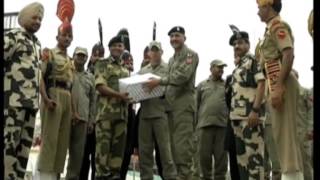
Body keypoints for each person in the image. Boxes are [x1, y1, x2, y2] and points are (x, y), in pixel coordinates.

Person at [256, 0, 304, 179]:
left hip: (280, 82)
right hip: (274, 81)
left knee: (286, 136)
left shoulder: (278, 25)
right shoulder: (269, 29)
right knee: (281, 136)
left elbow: (288, 53)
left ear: (268, 7)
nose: (258, 12)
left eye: (259, 8)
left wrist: (278, 87)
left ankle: (292, 175)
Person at [145, 26, 199, 180]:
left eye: (177, 35)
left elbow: (182, 77)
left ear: (184, 38)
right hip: (170, 109)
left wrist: (159, 81)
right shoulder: (171, 59)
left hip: (183, 109)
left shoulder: (191, 55)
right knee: (173, 152)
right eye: (171, 36)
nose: (174, 39)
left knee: (184, 152)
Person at [4, 2, 44, 180]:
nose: (37, 21)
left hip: (31, 105)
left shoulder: (37, 44)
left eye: (40, 19)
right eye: (34, 17)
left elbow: (38, 74)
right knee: (8, 150)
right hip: (12, 105)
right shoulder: (13, 36)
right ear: (24, 18)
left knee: (23, 152)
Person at [37, 11, 75, 179]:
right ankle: (44, 176)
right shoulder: (49, 53)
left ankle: (56, 176)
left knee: (62, 142)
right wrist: (45, 99)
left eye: (69, 36)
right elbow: (40, 77)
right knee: (50, 139)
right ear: (57, 37)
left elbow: (71, 86)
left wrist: (73, 110)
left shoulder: (70, 59)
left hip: (66, 96)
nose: (67, 38)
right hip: (52, 94)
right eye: (64, 35)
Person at [229, 28, 266, 180]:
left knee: (255, 162)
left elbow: (262, 83)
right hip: (237, 118)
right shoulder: (239, 65)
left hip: (251, 117)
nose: (237, 46)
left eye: (241, 43)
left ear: (248, 44)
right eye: (235, 44)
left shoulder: (253, 60)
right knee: (242, 164)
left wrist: (255, 110)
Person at [138, 41, 177, 180]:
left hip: (162, 114)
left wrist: (162, 90)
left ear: (162, 52)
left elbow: (173, 87)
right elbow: (136, 89)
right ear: (148, 53)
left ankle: (171, 178)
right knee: (145, 153)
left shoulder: (168, 68)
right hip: (145, 115)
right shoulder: (142, 71)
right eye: (152, 50)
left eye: (157, 50)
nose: (154, 53)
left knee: (166, 153)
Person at [94, 35, 130, 180]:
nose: (117, 48)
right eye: (114, 45)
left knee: (117, 157)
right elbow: (100, 87)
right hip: (106, 116)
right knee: (102, 155)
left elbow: (129, 91)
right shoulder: (102, 64)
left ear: (124, 48)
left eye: (120, 45)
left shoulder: (125, 69)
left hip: (122, 116)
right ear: (109, 48)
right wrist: (120, 96)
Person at [65, 47, 96, 180]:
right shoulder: (66, 72)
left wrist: (91, 120)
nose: (81, 58)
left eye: (83, 56)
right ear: (73, 56)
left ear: (86, 58)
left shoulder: (90, 77)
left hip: (82, 120)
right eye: (78, 55)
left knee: (77, 157)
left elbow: (93, 101)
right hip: (65, 118)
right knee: (60, 153)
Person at [196, 59, 229, 180]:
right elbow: (196, 106)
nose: (221, 70)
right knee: (204, 159)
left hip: (222, 126)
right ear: (211, 68)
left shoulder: (227, 85)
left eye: (222, 67)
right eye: (218, 67)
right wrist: (195, 127)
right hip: (204, 126)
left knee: (221, 159)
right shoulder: (202, 85)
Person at [80, 43, 105, 180]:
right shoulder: (86, 73)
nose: (97, 58)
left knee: (98, 158)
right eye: (95, 54)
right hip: (87, 120)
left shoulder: (105, 71)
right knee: (83, 157)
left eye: (100, 55)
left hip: (100, 122)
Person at [291, 70, 313, 180]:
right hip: (290, 135)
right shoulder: (285, 94)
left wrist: (310, 130)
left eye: (292, 76)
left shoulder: (305, 92)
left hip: (303, 134)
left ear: (297, 78)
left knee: (305, 163)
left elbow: (311, 111)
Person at [224, 55, 240, 180]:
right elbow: (228, 101)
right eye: (236, 57)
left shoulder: (254, 73)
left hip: (248, 123)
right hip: (233, 121)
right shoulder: (230, 78)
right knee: (233, 159)